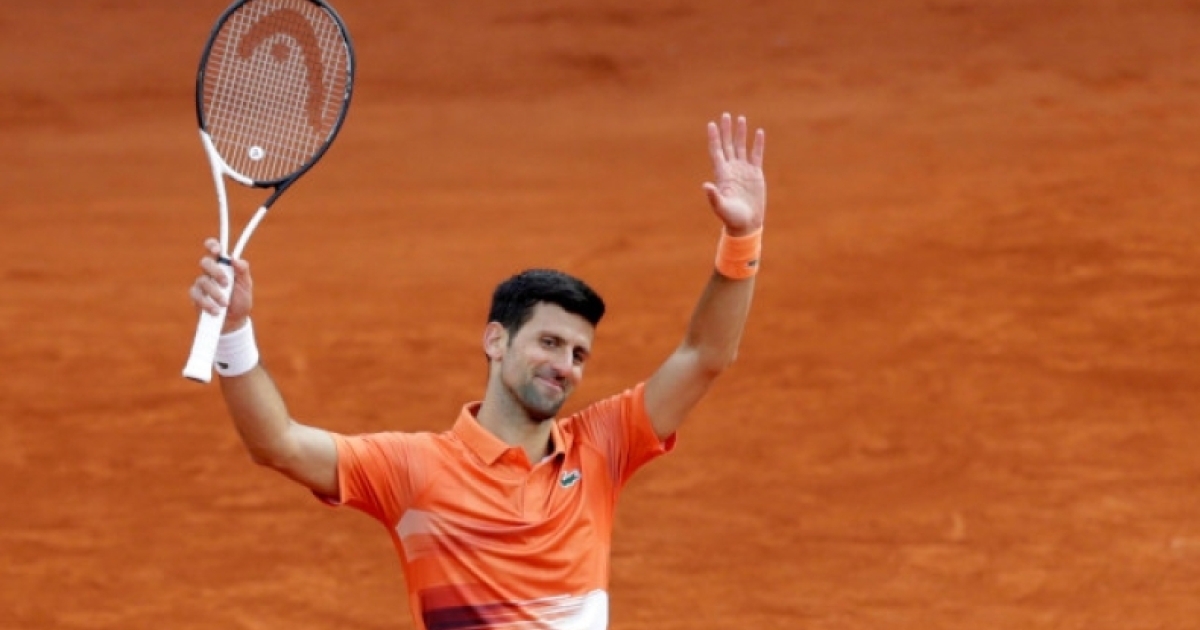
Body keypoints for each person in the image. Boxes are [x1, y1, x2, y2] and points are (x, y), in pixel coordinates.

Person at [187, 112, 767, 630]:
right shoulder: (413, 470)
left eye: (578, 354)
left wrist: (741, 238)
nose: (564, 366)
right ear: (496, 340)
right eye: (549, 342)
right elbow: (277, 443)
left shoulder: (601, 450)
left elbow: (704, 356)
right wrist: (234, 330)